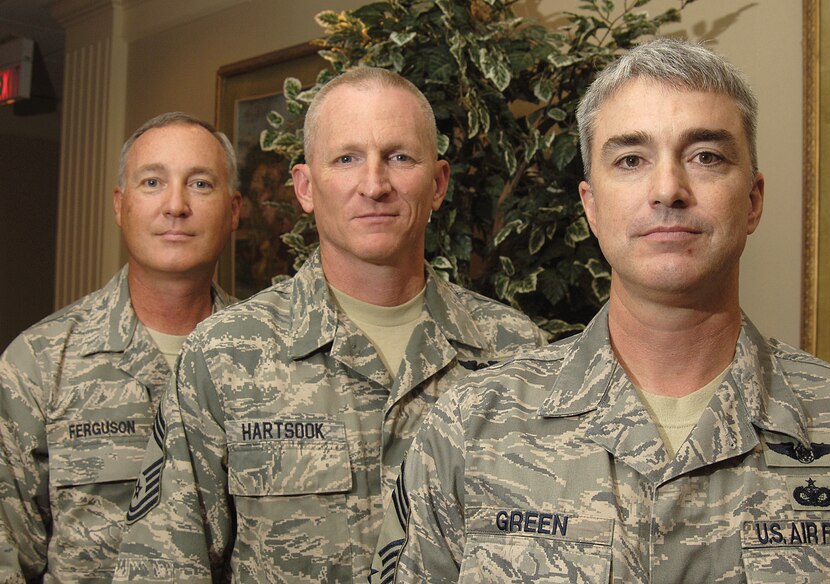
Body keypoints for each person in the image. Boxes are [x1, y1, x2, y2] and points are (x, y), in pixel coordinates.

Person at [373, 38, 830, 583]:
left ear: (753, 200)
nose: (668, 188)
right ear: (591, 206)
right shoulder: (470, 427)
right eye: (631, 160)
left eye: (706, 157)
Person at [113, 67, 546, 583]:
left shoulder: (519, 356)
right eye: (346, 159)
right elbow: (163, 566)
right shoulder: (223, 354)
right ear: (305, 187)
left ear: (437, 184)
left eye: (399, 157)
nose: (374, 185)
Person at [0, 112, 243, 582]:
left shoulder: (274, 358)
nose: (176, 205)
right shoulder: (38, 364)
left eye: (200, 184)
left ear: (233, 211)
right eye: (152, 182)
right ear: (120, 205)